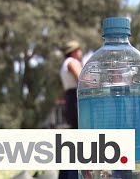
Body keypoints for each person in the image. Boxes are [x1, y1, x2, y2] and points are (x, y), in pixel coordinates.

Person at [59, 40, 83, 179]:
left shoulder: (63, 65)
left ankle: (66, 174)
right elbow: (83, 79)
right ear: (74, 51)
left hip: (70, 99)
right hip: (76, 99)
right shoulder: (72, 62)